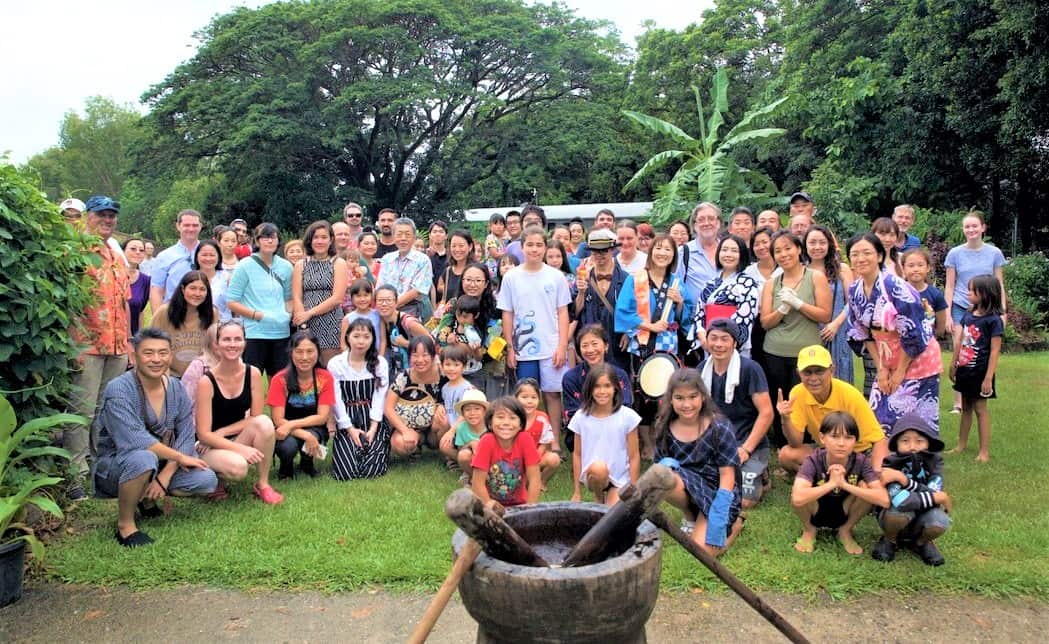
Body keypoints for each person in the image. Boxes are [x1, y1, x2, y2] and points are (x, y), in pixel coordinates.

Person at [92, 328, 218, 547]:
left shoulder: (177, 388)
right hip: (118, 465)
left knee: (206, 479)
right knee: (143, 458)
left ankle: (147, 499)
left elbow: (187, 434)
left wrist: (166, 475)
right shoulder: (119, 389)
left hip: (158, 465)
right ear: (134, 356)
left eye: (163, 353)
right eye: (148, 353)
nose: (156, 359)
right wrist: (179, 458)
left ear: (171, 355)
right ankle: (126, 526)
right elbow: (135, 440)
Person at [66, 195, 132, 500]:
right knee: (81, 412)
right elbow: (65, 303)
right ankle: (74, 475)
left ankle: (99, 468)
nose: (107, 220)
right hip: (87, 345)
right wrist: (71, 345)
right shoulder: (75, 251)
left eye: (112, 215)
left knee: (106, 410)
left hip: (117, 345)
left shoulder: (116, 254)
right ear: (87, 216)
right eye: (101, 214)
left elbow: (124, 302)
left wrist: (129, 342)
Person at [846, 233, 942, 437]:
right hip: (886, 356)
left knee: (912, 420)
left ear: (880, 256)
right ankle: (887, 462)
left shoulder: (896, 287)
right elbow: (862, 333)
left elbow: (913, 332)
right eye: (854, 254)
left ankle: (918, 464)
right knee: (880, 415)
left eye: (866, 253)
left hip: (917, 357)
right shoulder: (854, 290)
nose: (860, 259)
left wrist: (900, 371)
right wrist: (881, 368)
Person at [615, 234, 692, 457]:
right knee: (642, 395)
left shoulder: (677, 282)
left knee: (666, 393)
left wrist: (678, 303)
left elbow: (687, 316)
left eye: (668, 250)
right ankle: (647, 444)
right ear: (651, 252)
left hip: (668, 344)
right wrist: (649, 325)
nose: (662, 253)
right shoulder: (636, 278)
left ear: (673, 255)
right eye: (658, 248)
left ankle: (666, 442)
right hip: (642, 344)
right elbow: (623, 311)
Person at [653, 368, 743, 554]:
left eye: (692, 396)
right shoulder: (664, 427)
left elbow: (728, 476)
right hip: (688, 484)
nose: (687, 404)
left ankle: (735, 526)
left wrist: (719, 513)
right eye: (679, 398)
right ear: (670, 399)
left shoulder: (719, 426)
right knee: (663, 473)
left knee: (702, 551)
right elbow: (658, 470)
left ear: (703, 397)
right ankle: (691, 516)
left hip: (719, 492)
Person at [195, 320, 283, 504]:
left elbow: (255, 418)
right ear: (217, 344)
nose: (232, 344)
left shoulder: (253, 373)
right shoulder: (207, 381)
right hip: (207, 446)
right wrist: (240, 448)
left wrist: (225, 432)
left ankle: (263, 484)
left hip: (232, 436)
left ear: (245, 343)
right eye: (226, 339)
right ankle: (214, 479)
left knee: (264, 422)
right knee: (239, 467)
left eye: (238, 339)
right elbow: (203, 434)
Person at [498, 225, 572, 445]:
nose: (534, 249)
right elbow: (507, 314)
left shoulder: (556, 277)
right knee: (526, 395)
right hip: (524, 348)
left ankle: (554, 441)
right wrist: (510, 347)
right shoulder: (511, 277)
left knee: (551, 394)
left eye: (539, 245)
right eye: (530, 244)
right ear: (522, 247)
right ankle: (523, 440)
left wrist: (561, 346)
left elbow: (562, 312)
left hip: (551, 346)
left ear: (545, 247)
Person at [759, 231, 832, 446]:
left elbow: (825, 314)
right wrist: (783, 308)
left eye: (788, 248)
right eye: (778, 251)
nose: (783, 254)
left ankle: (809, 443)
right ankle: (783, 443)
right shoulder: (772, 283)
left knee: (807, 398)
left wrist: (798, 304)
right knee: (781, 399)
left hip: (807, 353)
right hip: (775, 351)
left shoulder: (815, 277)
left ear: (799, 249)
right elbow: (765, 322)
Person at [776, 345, 888, 473]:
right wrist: (786, 419)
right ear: (798, 373)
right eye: (807, 372)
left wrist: (877, 473)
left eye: (819, 371)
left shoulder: (850, 394)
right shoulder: (797, 393)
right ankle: (824, 479)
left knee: (874, 475)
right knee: (786, 455)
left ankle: (832, 477)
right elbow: (795, 443)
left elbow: (879, 440)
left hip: (858, 452)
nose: (813, 378)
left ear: (832, 370)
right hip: (827, 451)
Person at [790, 412, 889, 555]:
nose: (841, 443)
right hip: (815, 508)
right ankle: (809, 530)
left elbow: (884, 500)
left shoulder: (860, 461)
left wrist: (844, 485)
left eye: (848, 437)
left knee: (865, 487)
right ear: (822, 438)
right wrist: (831, 484)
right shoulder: (813, 460)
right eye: (834, 436)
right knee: (799, 492)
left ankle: (845, 531)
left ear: (855, 441)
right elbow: (798, 498)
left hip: (846, 508)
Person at [700, 319, 773, 509]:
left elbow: (766, 413)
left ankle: (762, 474)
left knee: (745, 501)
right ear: (706, 341)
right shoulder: (701, 370)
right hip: (716, 443)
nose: (718, 344)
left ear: (734, 343)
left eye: (725, 339)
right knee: (702, 486)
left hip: (748, 444)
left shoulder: (750, 369)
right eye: (713, 338)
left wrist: (746, 449)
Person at [944, 211, 1007, 412]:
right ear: (963, 230)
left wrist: (1003, 312)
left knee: (980, 352)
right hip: (961, 307)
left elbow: (1000, 285)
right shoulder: (954, 253)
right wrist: (946, 313)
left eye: (974, 226)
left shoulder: (994, 253)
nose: (971, 230)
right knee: (960, 350)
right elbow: (950, 286)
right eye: (967, 227)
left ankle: (981, 389)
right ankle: (958, 402)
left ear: (983, 228)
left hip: (987, 310)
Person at [872, 412, 952, 566]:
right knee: (898, 514)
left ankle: (922, 543)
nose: (913, 446)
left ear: (929, 442)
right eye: (905, 441)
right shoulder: (889, 465)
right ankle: (890, 539)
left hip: (925, 513)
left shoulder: (935, 463)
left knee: (940, 521)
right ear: (896, 445)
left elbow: (935, 490)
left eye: (920, 440)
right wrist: (935, 497)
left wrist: (904, 481)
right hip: (896, 512)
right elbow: (901, 500)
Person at [227, 222, 293, 377]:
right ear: (256, 241)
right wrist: (258, 315)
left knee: (281, 382)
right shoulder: (244, 266)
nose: (269, 241)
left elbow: (289, 298)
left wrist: (286, 316)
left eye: (273, 237)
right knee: (250, 381)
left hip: (281, 333)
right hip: (254, 333)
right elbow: (232, 302)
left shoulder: (286, 266)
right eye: (264, 237)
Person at [568, 365, 641, 506]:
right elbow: (577, 454)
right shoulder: (581, 417)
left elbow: (634, 456)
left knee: (612, 516)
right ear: (590, 389)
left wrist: (633, 487)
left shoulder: (628, 416)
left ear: (615, 388)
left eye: (607, 386)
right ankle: (598, 496)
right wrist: (577, 492)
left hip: (620, 478)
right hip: (594, 475)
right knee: (599, 469)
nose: (602, 391)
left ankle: (612, 497)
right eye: (597, 386)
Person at [949, 274, 1003, 463]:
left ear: (985, 294)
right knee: (966, 408)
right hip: (964, 370)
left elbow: (995, 351)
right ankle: (961, 445)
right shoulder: (968, 314)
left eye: (972, 290)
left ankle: (984, 452)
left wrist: (988, 378)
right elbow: (960, 342)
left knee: (981, 409)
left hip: (980, 373)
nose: (968, 293)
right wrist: (953, 363)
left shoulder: (994, 320)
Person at [328, 318, 391, 479]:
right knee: (345, 473)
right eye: (356, 336)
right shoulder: (336, 363)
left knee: (371, 471)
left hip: (372, 418)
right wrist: (349, 428)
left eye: (366, 336)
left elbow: (379, 397)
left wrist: (373, 427)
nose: (361, 341)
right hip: (347, 417)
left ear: (372, 339)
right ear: (347, 337)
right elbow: (336, 399)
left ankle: (377, 446)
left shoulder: (380, 363)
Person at [269, 330, 334, 479]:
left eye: (310, 351)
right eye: (299, 352)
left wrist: (297, 428)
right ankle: (285, 469)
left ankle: (307, 464)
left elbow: (322, 417)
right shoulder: (280, 379)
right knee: (288, 446)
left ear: (318, 352)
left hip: (313, 426)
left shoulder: (325, 377)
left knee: (313, 435)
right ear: (291, 353)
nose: (304, 357)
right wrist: (304, 434)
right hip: (284, 427)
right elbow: (278, 420)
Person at [561, 324, 633, 443]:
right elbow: (572, 414)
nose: (590, 350)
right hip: (585, 434)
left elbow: (625, 407)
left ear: (606, 346)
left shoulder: (619, 375)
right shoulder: (571, 378)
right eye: (584, 345)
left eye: (595, 344)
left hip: (615, 431)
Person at [692, 234, 759, 357]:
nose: (728, 254)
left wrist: (722, 340)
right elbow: (700, 312)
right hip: (709, 342)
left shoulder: (748, 283)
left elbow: (745, 317)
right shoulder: (711, 282)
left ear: (742, 255)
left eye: (734, 251)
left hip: (732, 344)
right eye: (724, 250)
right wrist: (702, 335)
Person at [292, 220, 348, 366]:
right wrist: (301, 318)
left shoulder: (338, 263)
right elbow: (297, 295)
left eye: (324, 237)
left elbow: (337, 298)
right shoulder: (301, 264)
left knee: (329, 367)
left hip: (330, 323)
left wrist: (310, 313)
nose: (320, 241)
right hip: (306, 322)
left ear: (331, 240)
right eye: (316, 237)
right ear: (310, 240)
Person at [805, 225, 854, 385]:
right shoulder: (800, 270)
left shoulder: (842, 269)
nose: (817, 247)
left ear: (829, 245)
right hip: (809, 332)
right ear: (805, 244)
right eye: (812, 242)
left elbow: (852, 302)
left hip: (837, 332)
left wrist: (836, 324)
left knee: (839, 378)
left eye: (822, 242)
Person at [574, 228, 630, 370]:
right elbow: (575, 312)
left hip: (617, 343)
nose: (599, 255)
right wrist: (581, 293)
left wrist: (629, 333)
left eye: (604, 251)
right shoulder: (583, 276)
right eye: (595, 251)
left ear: (612, 251)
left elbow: (634, 310)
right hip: (591, 344)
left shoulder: (626, 279)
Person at [471, 396, 541, 507]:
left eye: (512, 418)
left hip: (520, 505)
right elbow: (477, 484)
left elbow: (535, 479)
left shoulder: (525, 439)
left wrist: (530, 509)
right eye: (500, 417)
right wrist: (489, 505)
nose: (506, 423)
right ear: (490, 423)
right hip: (488, 504)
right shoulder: (487, 441)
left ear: (521, 424)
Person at [387, 335, 450, 458]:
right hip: (411, 426)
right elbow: (388, 407)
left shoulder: (443, 373)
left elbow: (458, 390)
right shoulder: (404, 377)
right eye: (415, 355)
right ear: (409, 357)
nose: (420, 360)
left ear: (433, 356)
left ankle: (447, 454)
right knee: (398, 443)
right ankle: (415, 448)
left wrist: (443, 406)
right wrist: (405, 430)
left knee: (445, 420)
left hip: (434, 428)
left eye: (425, 355)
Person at [150, 271, 218, 377]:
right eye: (192, 288)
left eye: (202, 289)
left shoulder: (212, 314)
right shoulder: (164, 312)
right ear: (182, 289)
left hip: (201, 376)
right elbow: (151, 343)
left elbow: (215, 347)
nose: (197, 293)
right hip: (170, 376)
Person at [377, 217, 433, 319]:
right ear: (393, 236)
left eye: (407, 234)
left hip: (414, 311)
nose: (403, 238)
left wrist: (392, 306)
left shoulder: (423, 260)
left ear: (414, 237)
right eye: (399, 234)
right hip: (387, 310)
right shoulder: (387, 259)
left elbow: (417, 291)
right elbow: (380, 286)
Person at [150, 209, 203, 311]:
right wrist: (158, 321)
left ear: (200, 226)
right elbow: (156, 290)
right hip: (174, 314)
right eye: (186, 225)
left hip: (204, 315)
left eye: (195, 225)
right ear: (178, 226)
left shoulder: (210, 254)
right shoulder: (164, 257)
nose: (191, 229)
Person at [513, 378, 561, 487]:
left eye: (533, 397)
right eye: (524, 397)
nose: (529, 401)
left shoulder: (542, 418)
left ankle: (540, 482)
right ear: (515, 399)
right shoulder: (512, 417)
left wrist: (532, 459)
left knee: (554, 459)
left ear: (539, 399)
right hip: (513, 459)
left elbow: (544, 444)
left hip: (535, 457)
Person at [676, 202, 723, 310]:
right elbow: (675, 286)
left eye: (711, 218)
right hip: (693, 319)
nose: (706, 223)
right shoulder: (683, 253)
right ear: (695, 225)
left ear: (719, 223)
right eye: (701, 219)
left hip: (726, 319)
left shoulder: (729, 250)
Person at [902, 248, 948, 340]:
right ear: (903, 269)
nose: (916, 269)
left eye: (920, 265)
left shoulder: (936, 295)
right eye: (911, 266)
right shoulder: (898, 293)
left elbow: (941, 326)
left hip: (928, 344)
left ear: (928, 268)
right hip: (903, 344)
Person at [446, 388, 489, 485]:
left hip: (490, 460)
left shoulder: (490, 426)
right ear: (463, 413)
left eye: (477, 409)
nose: (472, 413)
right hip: (472, 460)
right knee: (463, 455)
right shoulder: (461, 427)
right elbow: (460, 449)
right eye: (467, 409)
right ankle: (474, 477)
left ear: (484, 411)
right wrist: (470, 444)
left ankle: (487, 478)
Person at [339, 278, 385, 355]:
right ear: (352, 298)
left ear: (372, 296)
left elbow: (383, 340)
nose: (362, 299)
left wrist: (380, 358)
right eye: (358, 296)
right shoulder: (348, 319)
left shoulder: (378, 315)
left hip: (375, 359)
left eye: (366, 295)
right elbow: (343, 344)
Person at [434, 230, 474, 316]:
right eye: (453, 246)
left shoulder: (476, 271)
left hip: (470, 319)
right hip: (449, 322)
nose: (457, 249)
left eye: (461, 246)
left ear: (470, 247)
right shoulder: (448, 271)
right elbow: (445, 299)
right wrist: (441, 308)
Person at [179, 324, 220, 411]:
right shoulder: (198, 366)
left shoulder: (241, 367)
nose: (225, 345)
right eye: (218, 342)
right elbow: (186, 404)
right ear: (210, 343)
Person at [193, 240, 232, 322]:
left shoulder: (227, 278)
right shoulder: (189, 278)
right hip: (196, 327)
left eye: (212, 255)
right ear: (197, 256)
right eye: (204, 255)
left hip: (223, 327)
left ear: (219, 256)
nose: (208, 258)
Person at [438, 345, 475, 431]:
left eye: (456, 365)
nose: (451, 368)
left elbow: (467, 414)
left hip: (463, 430)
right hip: (449, 427)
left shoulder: (467, 388)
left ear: (464, 367)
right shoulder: (445, 388)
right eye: (447, 364)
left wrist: (452, 432)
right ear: (442, 366)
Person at [121, 238, 152, 337]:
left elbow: (140, 312)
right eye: (133, 249)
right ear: (123, 252)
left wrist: (140, 338)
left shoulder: (146, 281)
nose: (138, 252)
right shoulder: (112, 275)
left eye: (141, 250)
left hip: (132, 337)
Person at [426, 221, 449, 293]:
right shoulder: (424, 256)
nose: (438, 234)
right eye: (434, 231)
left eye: (441, 232)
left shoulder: (452, 256)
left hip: (446, 297)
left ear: (446, 236)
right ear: (430, 235)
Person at [483, 212, 509, 278]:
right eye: (495, 224)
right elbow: (495, 254)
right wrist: (509, 252)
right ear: (490, 226)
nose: (498, 226)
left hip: (501, 268)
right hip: (492, 270)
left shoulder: (503, 239)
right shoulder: (490, 238)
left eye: (501, 224)